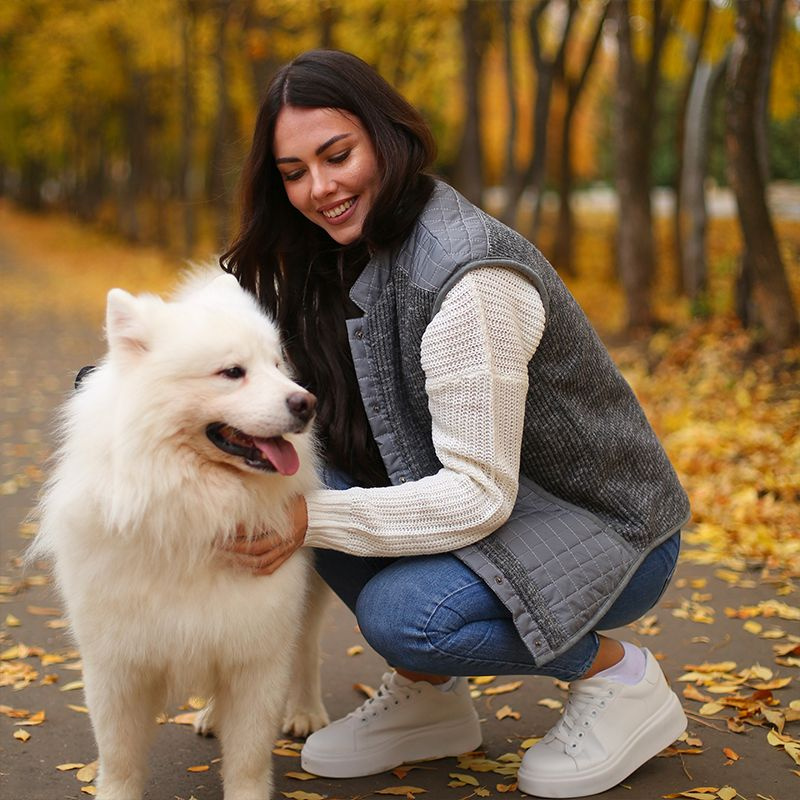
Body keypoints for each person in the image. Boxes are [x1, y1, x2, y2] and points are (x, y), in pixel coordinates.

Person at [220, 49, 690, 798]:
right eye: (294, 171)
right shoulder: (328, 254)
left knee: (404, 614)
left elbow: (477, 497)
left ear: (384, 134)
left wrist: (307, 517)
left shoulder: (470, 276)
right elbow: (234, 363)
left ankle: (618, 678)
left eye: (337, 155)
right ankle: (430, 696)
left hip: (605, 527)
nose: (320, 188)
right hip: (485, 505)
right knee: (276, 467)